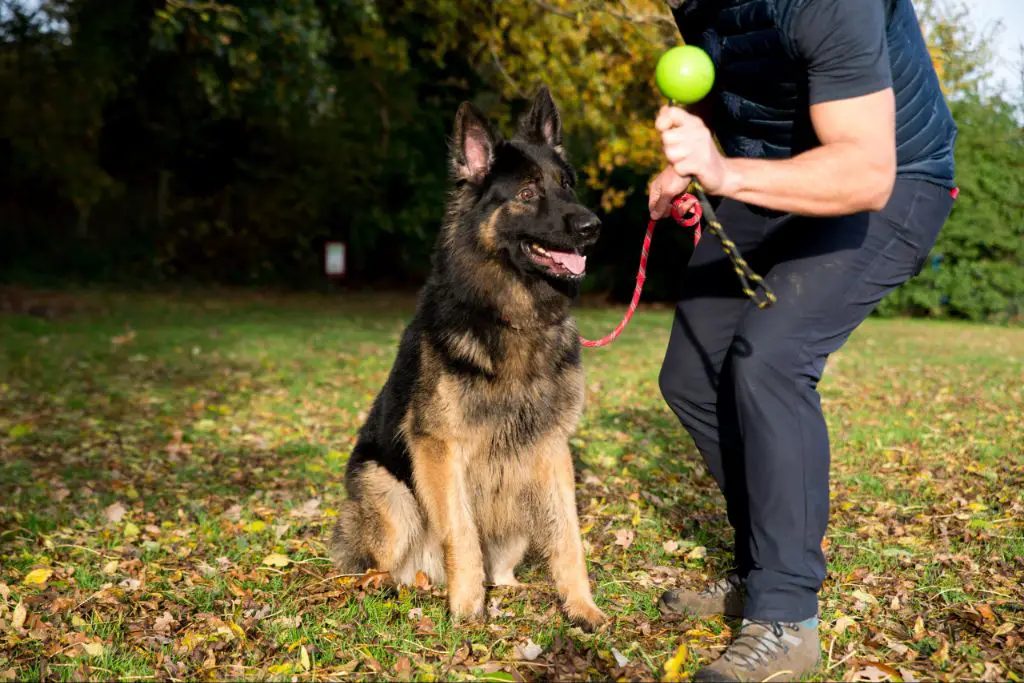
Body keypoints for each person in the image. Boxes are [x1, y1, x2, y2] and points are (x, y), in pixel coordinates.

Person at [648, 0, 957, 680]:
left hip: (893, 177)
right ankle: (764, 567)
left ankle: (786, 615)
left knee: (772, 356)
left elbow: (865, 171)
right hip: (781, 173)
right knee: (691, 374)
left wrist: (726, 174)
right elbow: (729, 77)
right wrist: (690, 158)